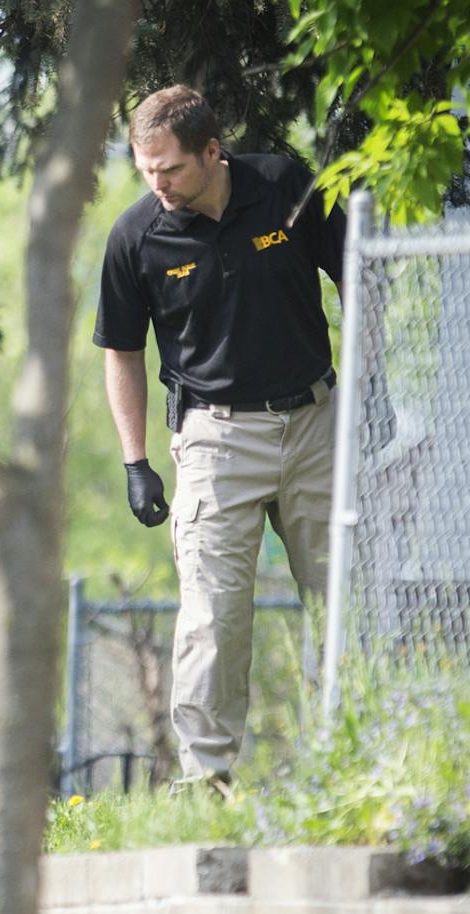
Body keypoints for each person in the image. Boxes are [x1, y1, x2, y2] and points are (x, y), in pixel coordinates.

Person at [94, 84, 343, 792]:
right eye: (147, 171)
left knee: (336, 599)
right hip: (215, 439)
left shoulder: (283, 187)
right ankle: (207, 780)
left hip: (316, 423)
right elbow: (121, 350)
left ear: (212, 151)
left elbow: (358, 273)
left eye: (170, 168)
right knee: (212, 611)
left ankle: (347, 753)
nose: (159, 184)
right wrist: (134, 459)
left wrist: (371, 392)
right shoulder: (136, 237)